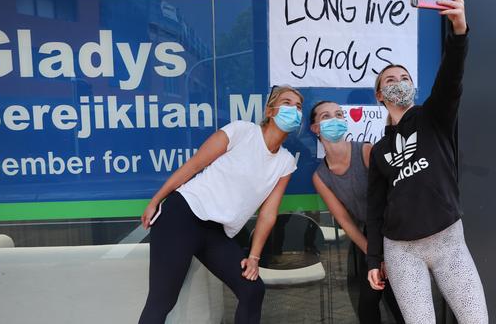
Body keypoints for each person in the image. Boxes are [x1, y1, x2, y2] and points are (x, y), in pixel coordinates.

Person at [366, 0, 489, 324]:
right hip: (401, 250)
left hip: (448, 240)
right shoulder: (379, 151)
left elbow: (452, 78)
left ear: (414, 87)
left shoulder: (434, 117)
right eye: (390, 79)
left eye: (404, 77)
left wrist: (459, 31)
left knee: (476, 319)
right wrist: (374, 260)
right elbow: (374, 209)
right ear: (379, 95)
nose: (398, 82)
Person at [138, 86, 304, 324]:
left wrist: (254, 257)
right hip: (183, 214)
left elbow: (268, 213)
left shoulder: (285, 162)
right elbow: (193, 166)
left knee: (252, 290)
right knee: (162, 301)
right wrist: (156, 200)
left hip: (217, 232)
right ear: (270, 110)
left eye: (298, 107)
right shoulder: (241, 131)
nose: (294, 110)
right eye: (287, 103)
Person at [310, 100, 404, 324]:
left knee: (399, 301)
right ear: (315, 128)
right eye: (326, 116)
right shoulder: (321, 176)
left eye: (339, 114)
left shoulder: (366, 151)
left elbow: (393, 197)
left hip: (395, 234)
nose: (335, 119)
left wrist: (388, 253)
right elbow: (345, 221)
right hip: (369, 240)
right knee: (368, 303)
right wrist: (374, 255)